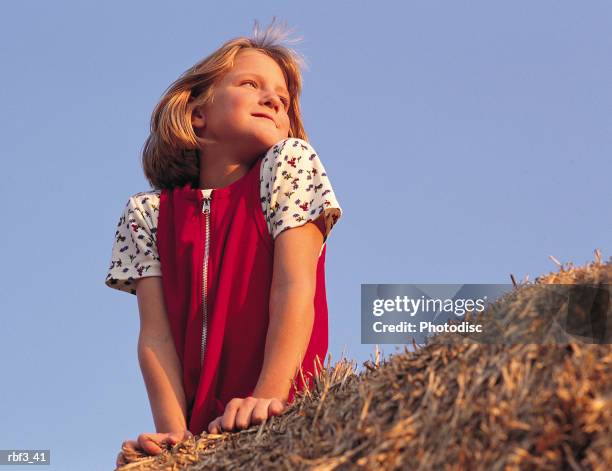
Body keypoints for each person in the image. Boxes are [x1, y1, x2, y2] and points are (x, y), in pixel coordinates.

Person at [105, 19, 343, 466]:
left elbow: (295, 287)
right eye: (251, 84)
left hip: (283, 407)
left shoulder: (290, 164)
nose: (273, 98)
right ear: (198, 113)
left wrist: (268, 398)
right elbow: (155, 336)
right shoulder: (148, 213)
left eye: (284, 99)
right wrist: (174, 440)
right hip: (206, 433)